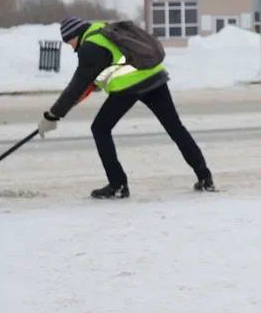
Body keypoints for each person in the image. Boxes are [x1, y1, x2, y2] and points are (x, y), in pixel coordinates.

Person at [38, 16, 215, 198]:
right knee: (175, 127)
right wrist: (57, 113)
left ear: (74, 35)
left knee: (100, 128)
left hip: (130, 86)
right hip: (154, 76)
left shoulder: (90, 47)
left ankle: (117, 185)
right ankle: (205, 177)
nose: (70, 46)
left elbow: (77, 86)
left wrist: (52, 115)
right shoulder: (103, 29)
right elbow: (93, 80)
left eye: (68, 42)